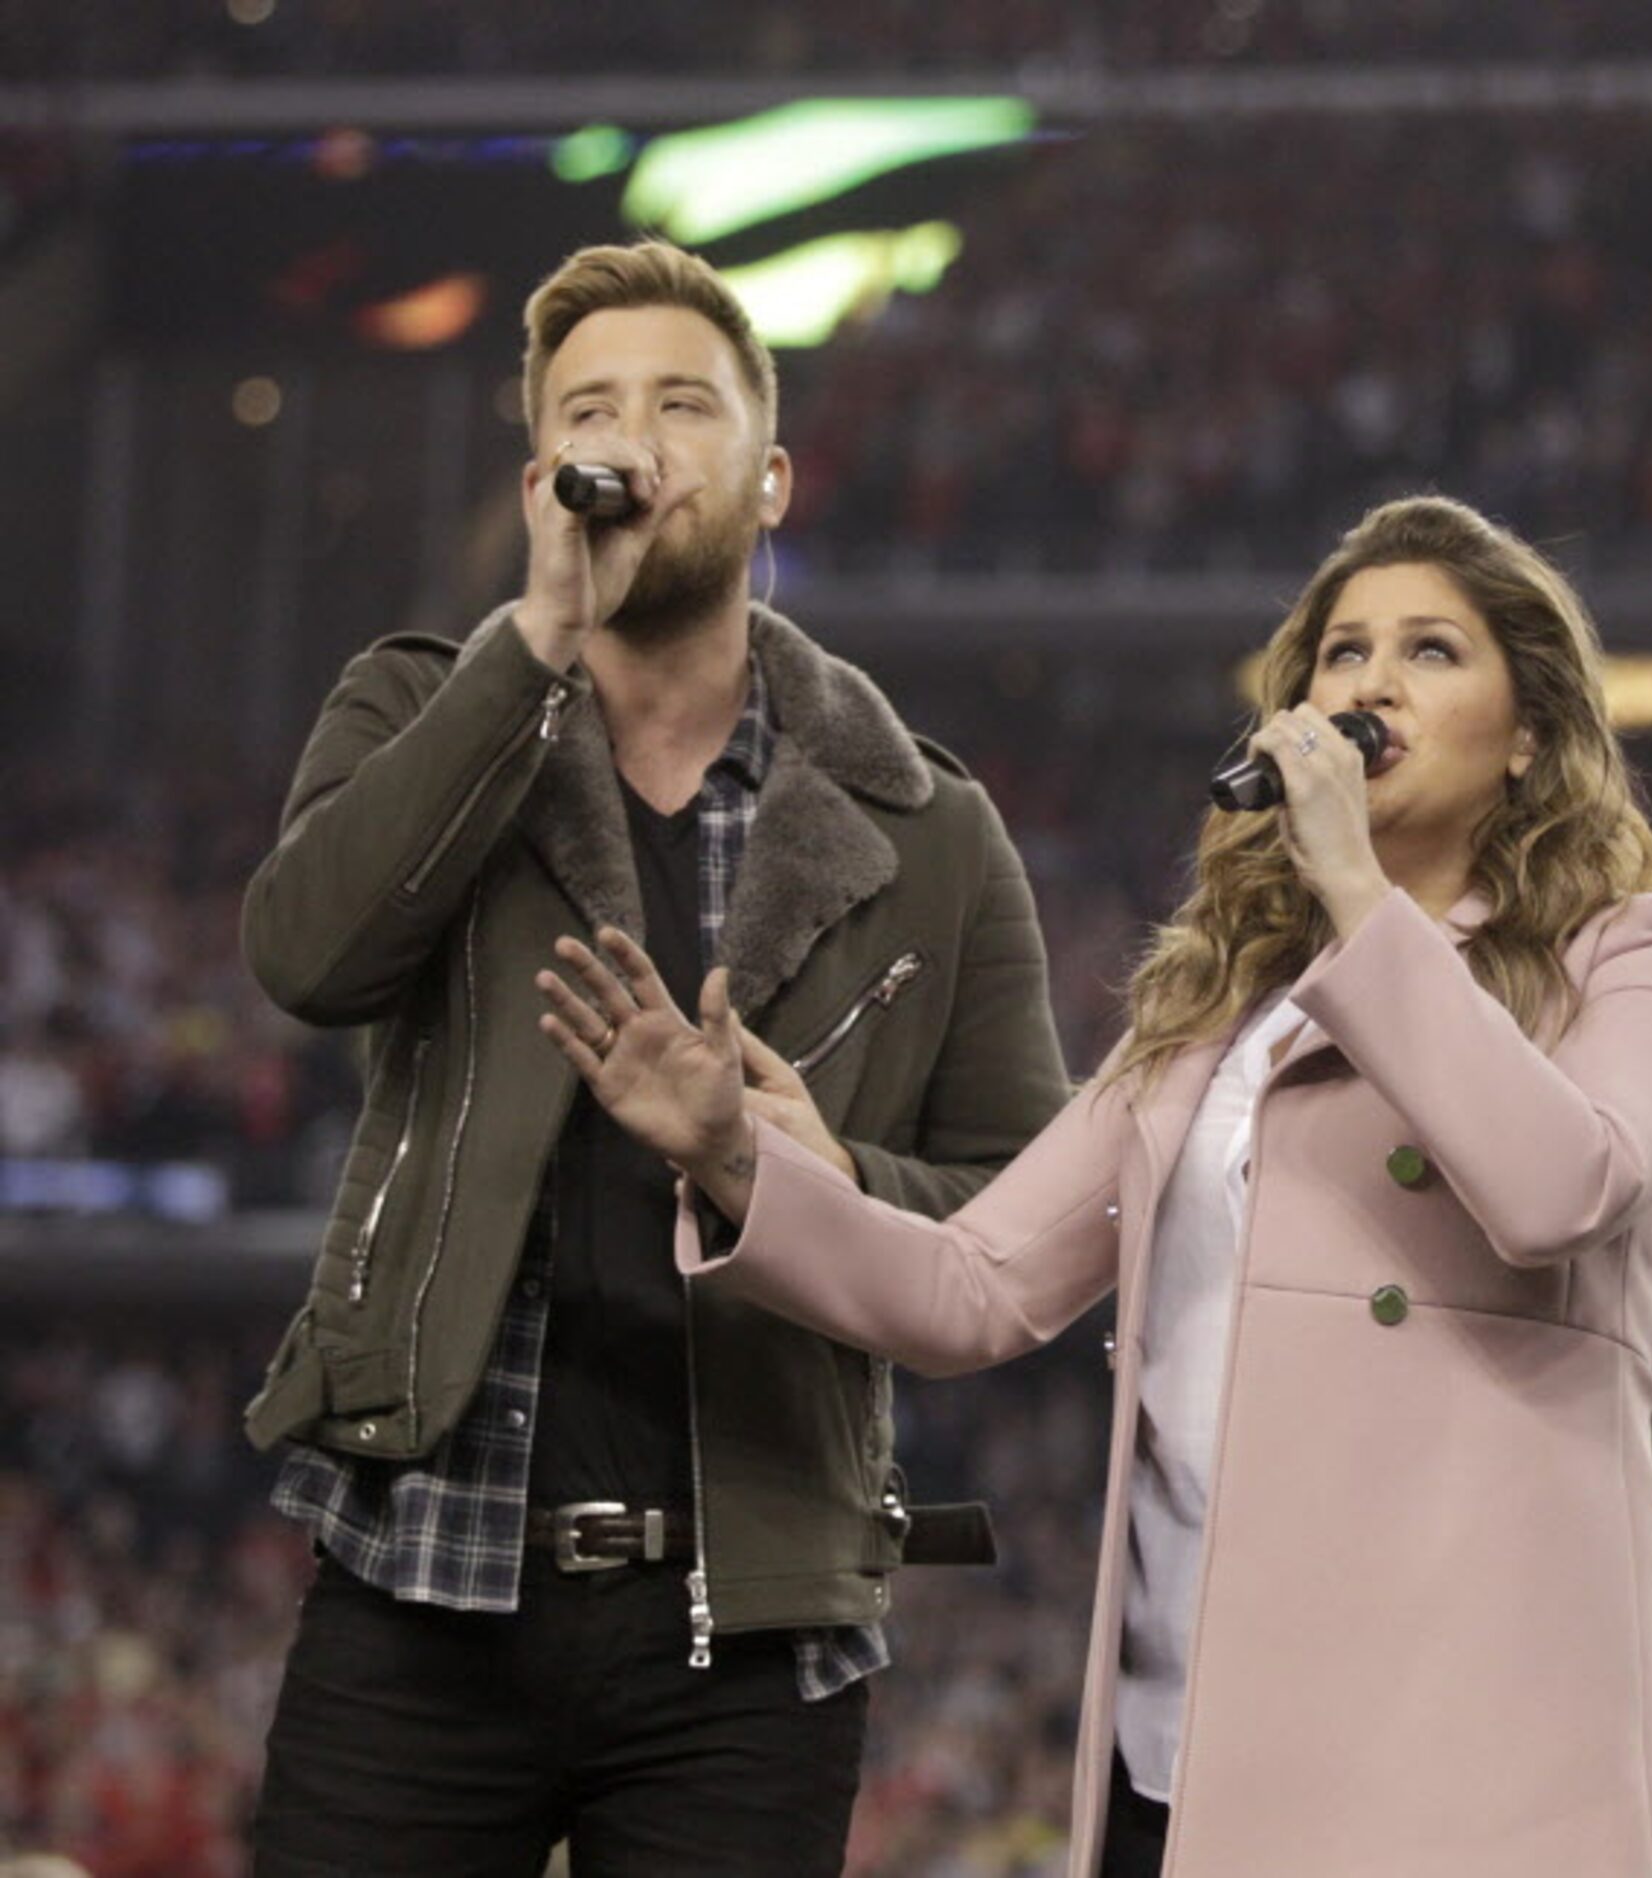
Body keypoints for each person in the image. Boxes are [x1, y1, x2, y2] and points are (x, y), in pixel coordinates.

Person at [536, 493, 1652, 1877]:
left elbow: (1555, 1185)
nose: (1367, 683)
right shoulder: (1217, 1019)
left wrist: (1358, 889)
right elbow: (971, 1287)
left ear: (1528, 732)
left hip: (1467, 1734)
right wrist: (733, 1157)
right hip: (1196, 1735)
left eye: (1430, 651)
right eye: (1342, 651)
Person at [238, 239, 1070, 1875]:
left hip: (747, 1626)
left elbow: (1023, 1221)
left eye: (683, 403)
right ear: (545, 471)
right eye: (594, 408)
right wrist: (533, 639)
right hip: (424, 1582)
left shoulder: (930, 826)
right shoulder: (424, 707)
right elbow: (305, 956)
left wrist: (763, 1166)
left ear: (770, 480)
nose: (639, 437)